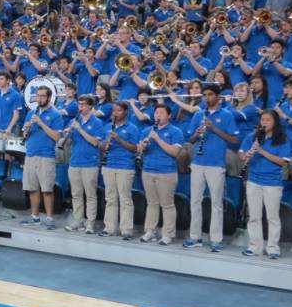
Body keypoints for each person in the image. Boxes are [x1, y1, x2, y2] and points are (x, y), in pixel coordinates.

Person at [183, 84, 238, 252]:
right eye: (205, 95)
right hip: (198, 162)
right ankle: (195, 236)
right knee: (195, 201)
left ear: (218, 96)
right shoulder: (198, 114)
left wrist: (214, 129)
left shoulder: (227, 115)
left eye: (210, 95)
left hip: (216, 164)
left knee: (216, 203)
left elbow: (234, 140)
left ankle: (216, 239)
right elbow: (190, 141)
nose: (207, 98)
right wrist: (197, 134)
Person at [239, 109, 290, 259]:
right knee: (254, 216)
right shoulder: (252, 137)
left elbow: (282, 162)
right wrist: (246, 155)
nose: (264, 123)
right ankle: (255, 246)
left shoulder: (282, 139)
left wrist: (261, 151)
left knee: (272, 217)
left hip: (273, 182)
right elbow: (241, 154)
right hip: (254, 180)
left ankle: (273, 248)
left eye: (268, 120)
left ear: (275, 122)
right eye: (262, 120)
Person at [19, 86, 65, 230]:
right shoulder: (31, 113)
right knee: (32, 188)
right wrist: (26, 130)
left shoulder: (56, 115)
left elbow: (57, 137)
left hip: (46, 156)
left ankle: (49, 218)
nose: (39, 99)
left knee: (47, 189)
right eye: (37, 96)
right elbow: (24, 136)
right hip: (31, 154)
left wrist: (41, 123)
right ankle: (35, 217)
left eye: (42, 96)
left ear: (49, 98)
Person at [139, 103, 184, 245]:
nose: (158, 115)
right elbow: (139, 150)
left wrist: (157, 139)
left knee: (167, 204)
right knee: (152, 203)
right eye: (156, 113)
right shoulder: (147, 130)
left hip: (166, 172)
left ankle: (168, 234)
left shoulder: (175, 131)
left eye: (161, 113)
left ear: (169, 115)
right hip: (148, 170)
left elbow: (174, 152)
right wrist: (143, 146)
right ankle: (150, 231)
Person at [65, 95, 105, 233]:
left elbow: (95, 142)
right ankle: (78, 220)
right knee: (76, 195)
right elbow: (69, 143)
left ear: (90, 106)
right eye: (79, 104)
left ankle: (90, 223)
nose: (80, 107)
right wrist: (67, 133)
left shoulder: (97, 122)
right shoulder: (74, 121)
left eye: (83, 104)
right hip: (75, 162)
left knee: (90, 195)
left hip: (90, 164)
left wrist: (80, 129)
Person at [100, 101, 139, 239]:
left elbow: (135, 148)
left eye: (118, 111)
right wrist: (105, 144)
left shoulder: (132, 128)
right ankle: (109, 227)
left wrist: (119, 139)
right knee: (110, 198)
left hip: (125, 166)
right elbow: (101, 148)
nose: (115, 113)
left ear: (125, 112)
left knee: (125, 199)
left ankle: (126, 229)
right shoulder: (107, 127)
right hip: (109, 165)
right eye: (114, 111)